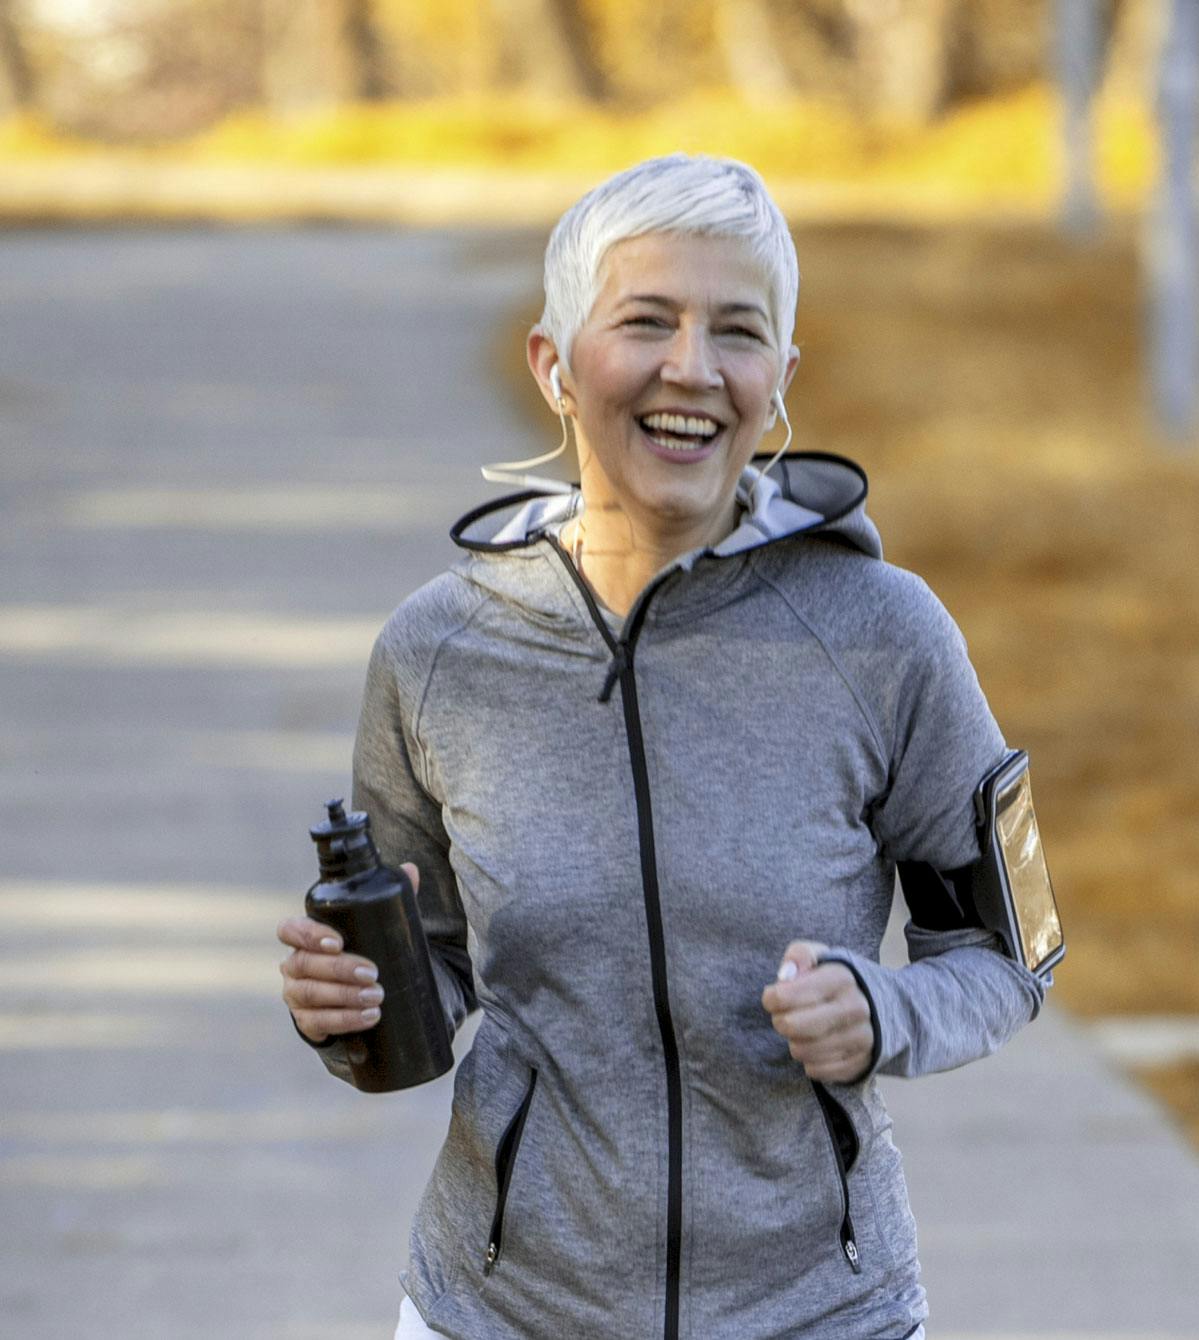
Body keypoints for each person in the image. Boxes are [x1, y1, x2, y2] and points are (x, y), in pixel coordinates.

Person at [274, 153, 1049, 1340]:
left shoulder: (886, 634)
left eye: (736, 332)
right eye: (645, 321)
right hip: (501, 1309)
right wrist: (348, 1004)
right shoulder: (436, 652)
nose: (691, 368)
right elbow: (427, 968)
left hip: (817, 1309)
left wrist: (882, 1008)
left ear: (780, 378)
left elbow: (1012, 950)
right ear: (555, 366)